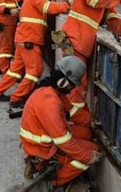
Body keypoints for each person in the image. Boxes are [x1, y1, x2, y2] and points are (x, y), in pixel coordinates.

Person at [54, 0, 121, 125]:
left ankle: (69, 115)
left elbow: (113, 21)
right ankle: (73, 119)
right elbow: (94, 0)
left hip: (79, 43)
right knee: (77, 83)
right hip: (72, 40)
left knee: (76, 82)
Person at [20, 56, 101, 187]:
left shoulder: (52, 90)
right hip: (42, 148)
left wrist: (89, 121)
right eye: (72, 85)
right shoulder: (50, 102)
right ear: (63, 81)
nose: (72, 89)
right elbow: (63, 141)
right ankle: (54, 181)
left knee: (85, 133)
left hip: (44, 139)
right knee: (91, 150)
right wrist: (88, 156)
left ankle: (39, 166)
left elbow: (72, 112)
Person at [0, 0, 71, 106]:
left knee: (15, 71)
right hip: (29, 40)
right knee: (35, 71)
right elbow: (47, 7)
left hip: (23, 38)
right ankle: (17, 98)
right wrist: (67, 6)